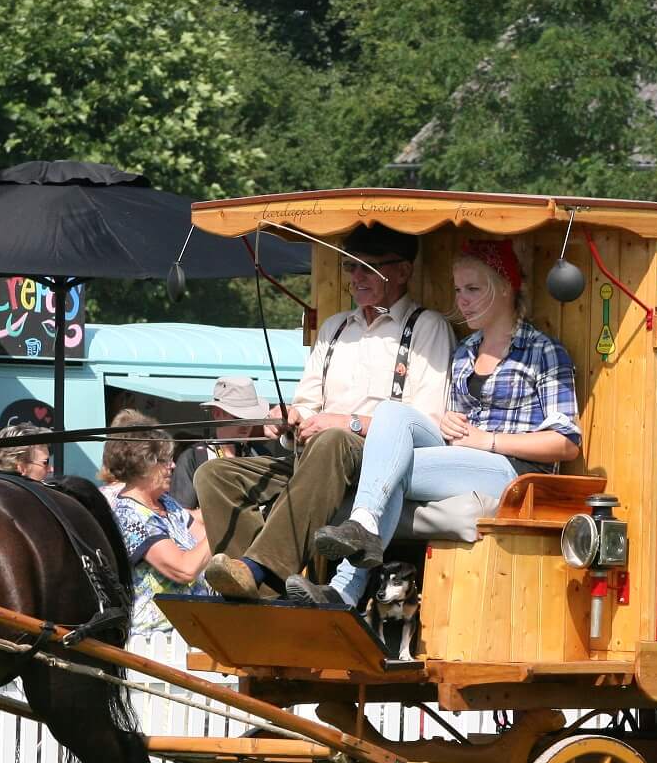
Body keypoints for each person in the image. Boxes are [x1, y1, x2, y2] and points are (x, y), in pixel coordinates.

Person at [298, 238, 581, 608]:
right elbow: (450, 428)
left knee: (392, 468)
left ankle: (345, 586)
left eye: (473, 289)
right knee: (392, 414)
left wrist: (489, 440)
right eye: (458, 290)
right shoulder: (465, 352)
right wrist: (448, 422)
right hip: (462, 461)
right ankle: (361, 529)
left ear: (505, 287)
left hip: (516, 475)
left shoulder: (542, 350)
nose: (462, 300)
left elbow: (566, 442)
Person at [197, 223, 454, 600]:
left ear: (402, 271)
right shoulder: (334, 329)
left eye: (368, 268)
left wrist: (347, 423)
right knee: (214, 474)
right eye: (350, 267)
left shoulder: (427, 327)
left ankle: (258, 570)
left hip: (376, 462)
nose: (355, 277)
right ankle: (259, 593)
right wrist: (289, 420)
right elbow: (307, 406)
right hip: (316, 457)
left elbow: (427, 424)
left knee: (333, 439)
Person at [104, 409, 210, 638]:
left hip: (194, 632)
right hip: (156, 641)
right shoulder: (130, 516)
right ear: (143, 464)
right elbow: (184, 569)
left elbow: (203, 538)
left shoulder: (167, 503)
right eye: (165, 460)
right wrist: (225, 526)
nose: (173, 466)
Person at [170, 375, 282, 513]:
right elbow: (181, 517)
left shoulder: (261, 454)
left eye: (251, 417)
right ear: (217, 414)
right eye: (239, 417)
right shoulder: (193, 458)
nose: (246, 424)